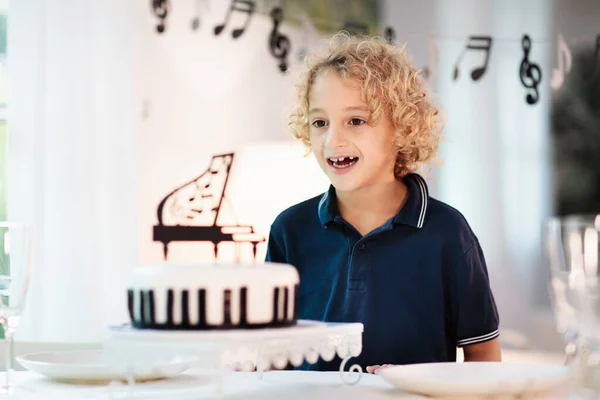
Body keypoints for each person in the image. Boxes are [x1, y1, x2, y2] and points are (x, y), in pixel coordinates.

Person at [265, 32, 501, 373]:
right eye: (320, 122)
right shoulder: (289, 231)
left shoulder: (448, 233)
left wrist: (413, 381)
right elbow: (272, 356)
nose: (333, 139)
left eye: (356, 121)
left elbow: (484, 358)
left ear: (402, 128)